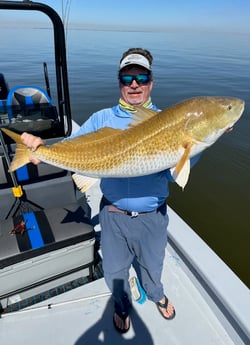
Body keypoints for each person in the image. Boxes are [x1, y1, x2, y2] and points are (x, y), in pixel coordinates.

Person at [21, 48, 187, 333]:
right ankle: (122, 305)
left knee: (153, 266)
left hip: (152, 216)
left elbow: (176, 175)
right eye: (127, 77)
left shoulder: (170, 121)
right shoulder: (101, 119)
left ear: (151, 82)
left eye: (141, 76)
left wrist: (197, 142)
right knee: (114, 270)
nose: (134, 84)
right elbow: (72, 147)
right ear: (119, 82)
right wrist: (39, 148)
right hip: (112, 213)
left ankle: (156, 293)